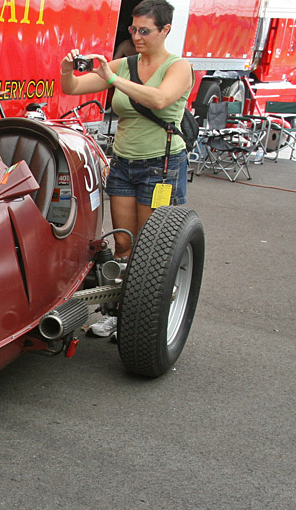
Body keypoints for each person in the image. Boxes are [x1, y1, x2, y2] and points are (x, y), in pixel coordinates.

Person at [60, 0, 193, 338]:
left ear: (165, 30)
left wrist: (112, 79)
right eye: (133, 29)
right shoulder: (124, 64)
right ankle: (117, 315)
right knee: (123, 246)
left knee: (151, 254)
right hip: (123, 165)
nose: (136, 36)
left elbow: (159, 100)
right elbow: (72, 88)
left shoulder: (178, 67)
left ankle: (146, 322)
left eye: (144, 30)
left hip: (160, 167)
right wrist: (66, 69)